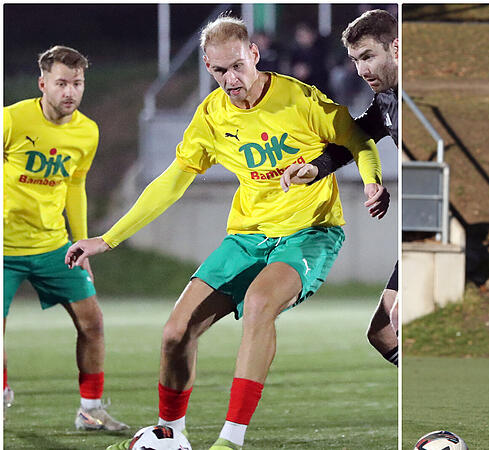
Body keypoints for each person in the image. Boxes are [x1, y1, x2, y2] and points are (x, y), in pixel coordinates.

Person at [65, 15, 382, 450]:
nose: (230, 79)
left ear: (253, 54)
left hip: (311, 232)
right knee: (176, 332)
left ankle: (231, 441)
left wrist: (371, 181)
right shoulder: (211, 116)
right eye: (218, 71)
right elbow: (172, 180)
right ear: (207, 67)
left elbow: (357, 140)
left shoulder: (298, 98)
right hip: (247, 237)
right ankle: (169, 435)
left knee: (257, 305)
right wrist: (108, 239)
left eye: (237, 66)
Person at [2, 45, 129, 431]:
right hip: (4, 248)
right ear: (43, 84)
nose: (70, 92)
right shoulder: (11, 120)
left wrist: (83, 242)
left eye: (77, 83)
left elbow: (75, 187)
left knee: (93, 323)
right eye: (61, 83)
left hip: (53, 245)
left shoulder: (87, 132)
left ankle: (90, 411)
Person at [280, 9, 399, 367]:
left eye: (368, 56)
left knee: (399, 316)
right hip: (416, 230)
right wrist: (314, 168)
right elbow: (358, 137)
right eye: (354, 60)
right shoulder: (387, 99)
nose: (361, 70)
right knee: (380, 332)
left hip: (439, 228)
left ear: (396, 48)